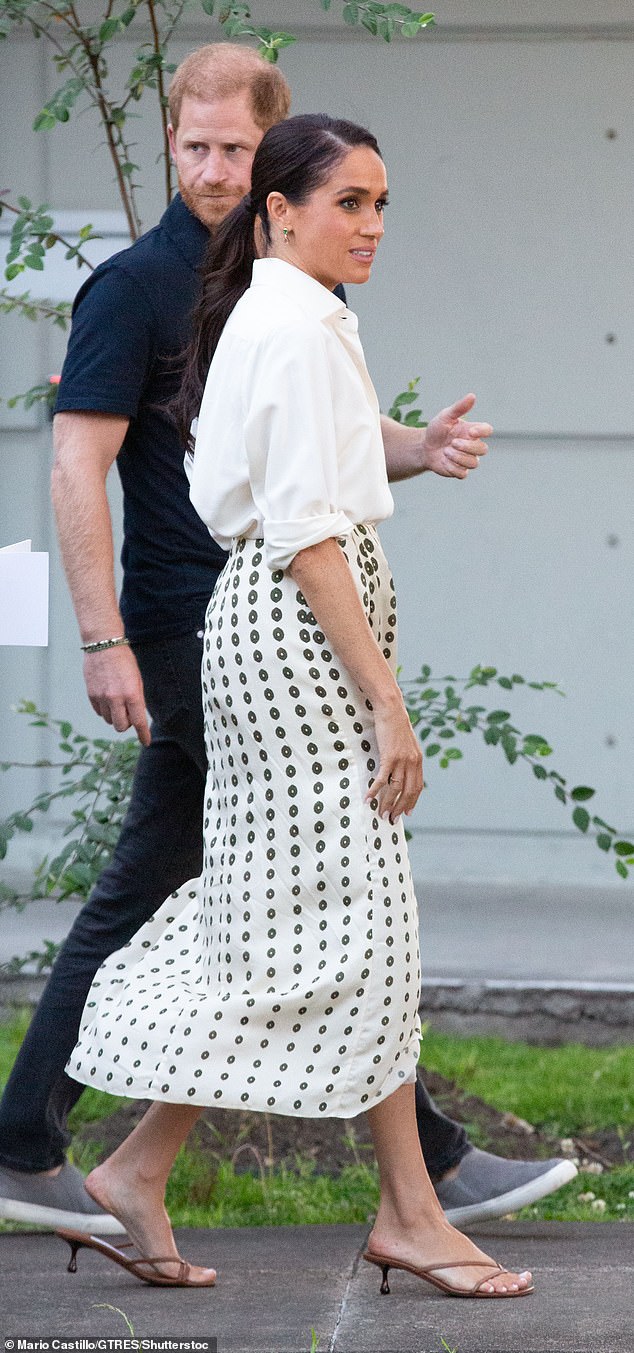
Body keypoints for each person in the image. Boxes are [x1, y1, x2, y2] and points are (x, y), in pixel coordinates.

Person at [0, 44, 575, 1235]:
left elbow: (304, 444)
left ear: (265, 155)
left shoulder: (273, 280)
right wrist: (101, 636)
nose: (209, 170)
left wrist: (415, 447)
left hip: (268, 622)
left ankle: (78, 1150)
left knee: (251, 892)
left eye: (230, 149)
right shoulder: (141, 286)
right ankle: (415, 1176)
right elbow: (78, 462)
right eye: (192, 147)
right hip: (199, 624)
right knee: (301, 888)